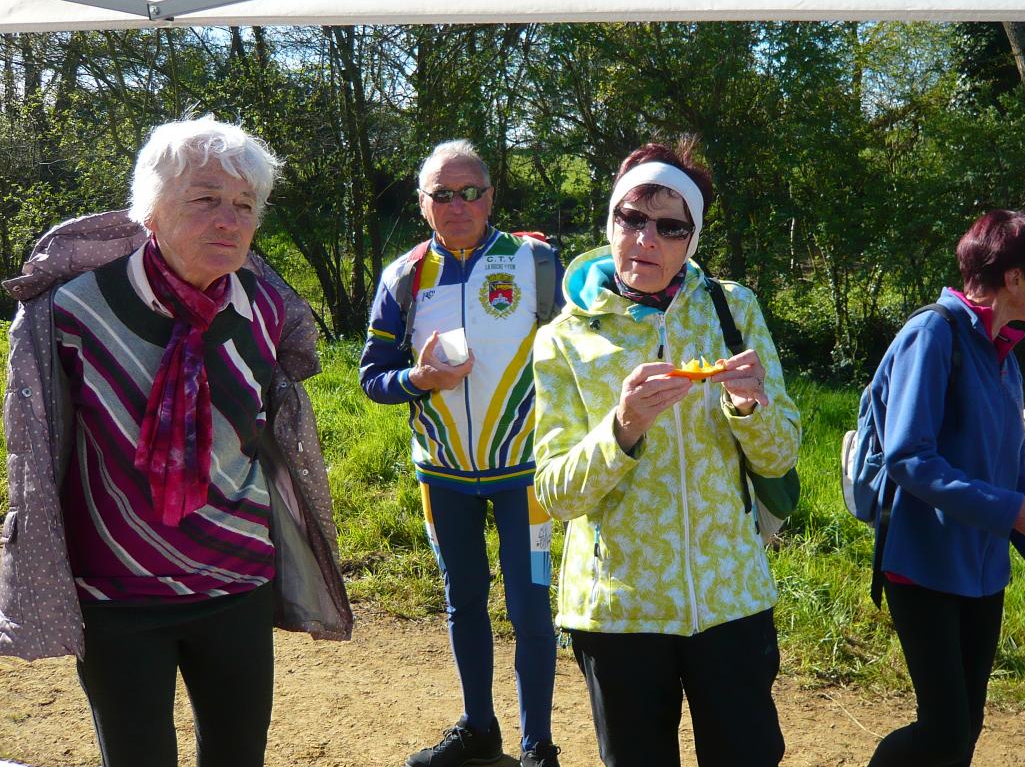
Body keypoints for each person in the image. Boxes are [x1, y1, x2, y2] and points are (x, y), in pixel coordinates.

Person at [0, 117, 352, 767]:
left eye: (245, 205)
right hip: (118, 595)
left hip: (236, 582)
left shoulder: (267, 311)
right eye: (206, 199)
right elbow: (39, 446)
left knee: (238, 756)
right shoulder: (74, 311)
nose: (229, 220)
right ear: (152, 211)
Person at [531, 139, 800, 767]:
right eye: (632, 218)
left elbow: (781, 454)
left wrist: (748, 408)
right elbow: (556, 493)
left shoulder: (733, 309)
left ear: (692, 239)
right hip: (619, 610)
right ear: (611, 222)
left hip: (730, 596)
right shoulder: (565, 339)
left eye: (670, 226)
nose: (646, 240)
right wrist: (621, 428)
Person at [864, 209, 1025, 767]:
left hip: (982, 571)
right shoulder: (932, 334)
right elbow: (907, 457)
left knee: (964, 729)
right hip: (920, 565)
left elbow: (1018, 477)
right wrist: (1015, 512)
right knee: (943, 731)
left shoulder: (1005, 358)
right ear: (1015, 278)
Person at [360, 139, 563, 767]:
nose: (458, 204)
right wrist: (417, 382)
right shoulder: (404, 275)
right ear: (423, 205)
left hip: (525, 473)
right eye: (442, 194)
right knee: (463, 600)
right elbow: (373, 378)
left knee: (531, 606)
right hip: (442, 477)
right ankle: (481, 728)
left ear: (491, 196)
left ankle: (538, 746)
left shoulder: (534, 263)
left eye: (470, 190)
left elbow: (578, 354)